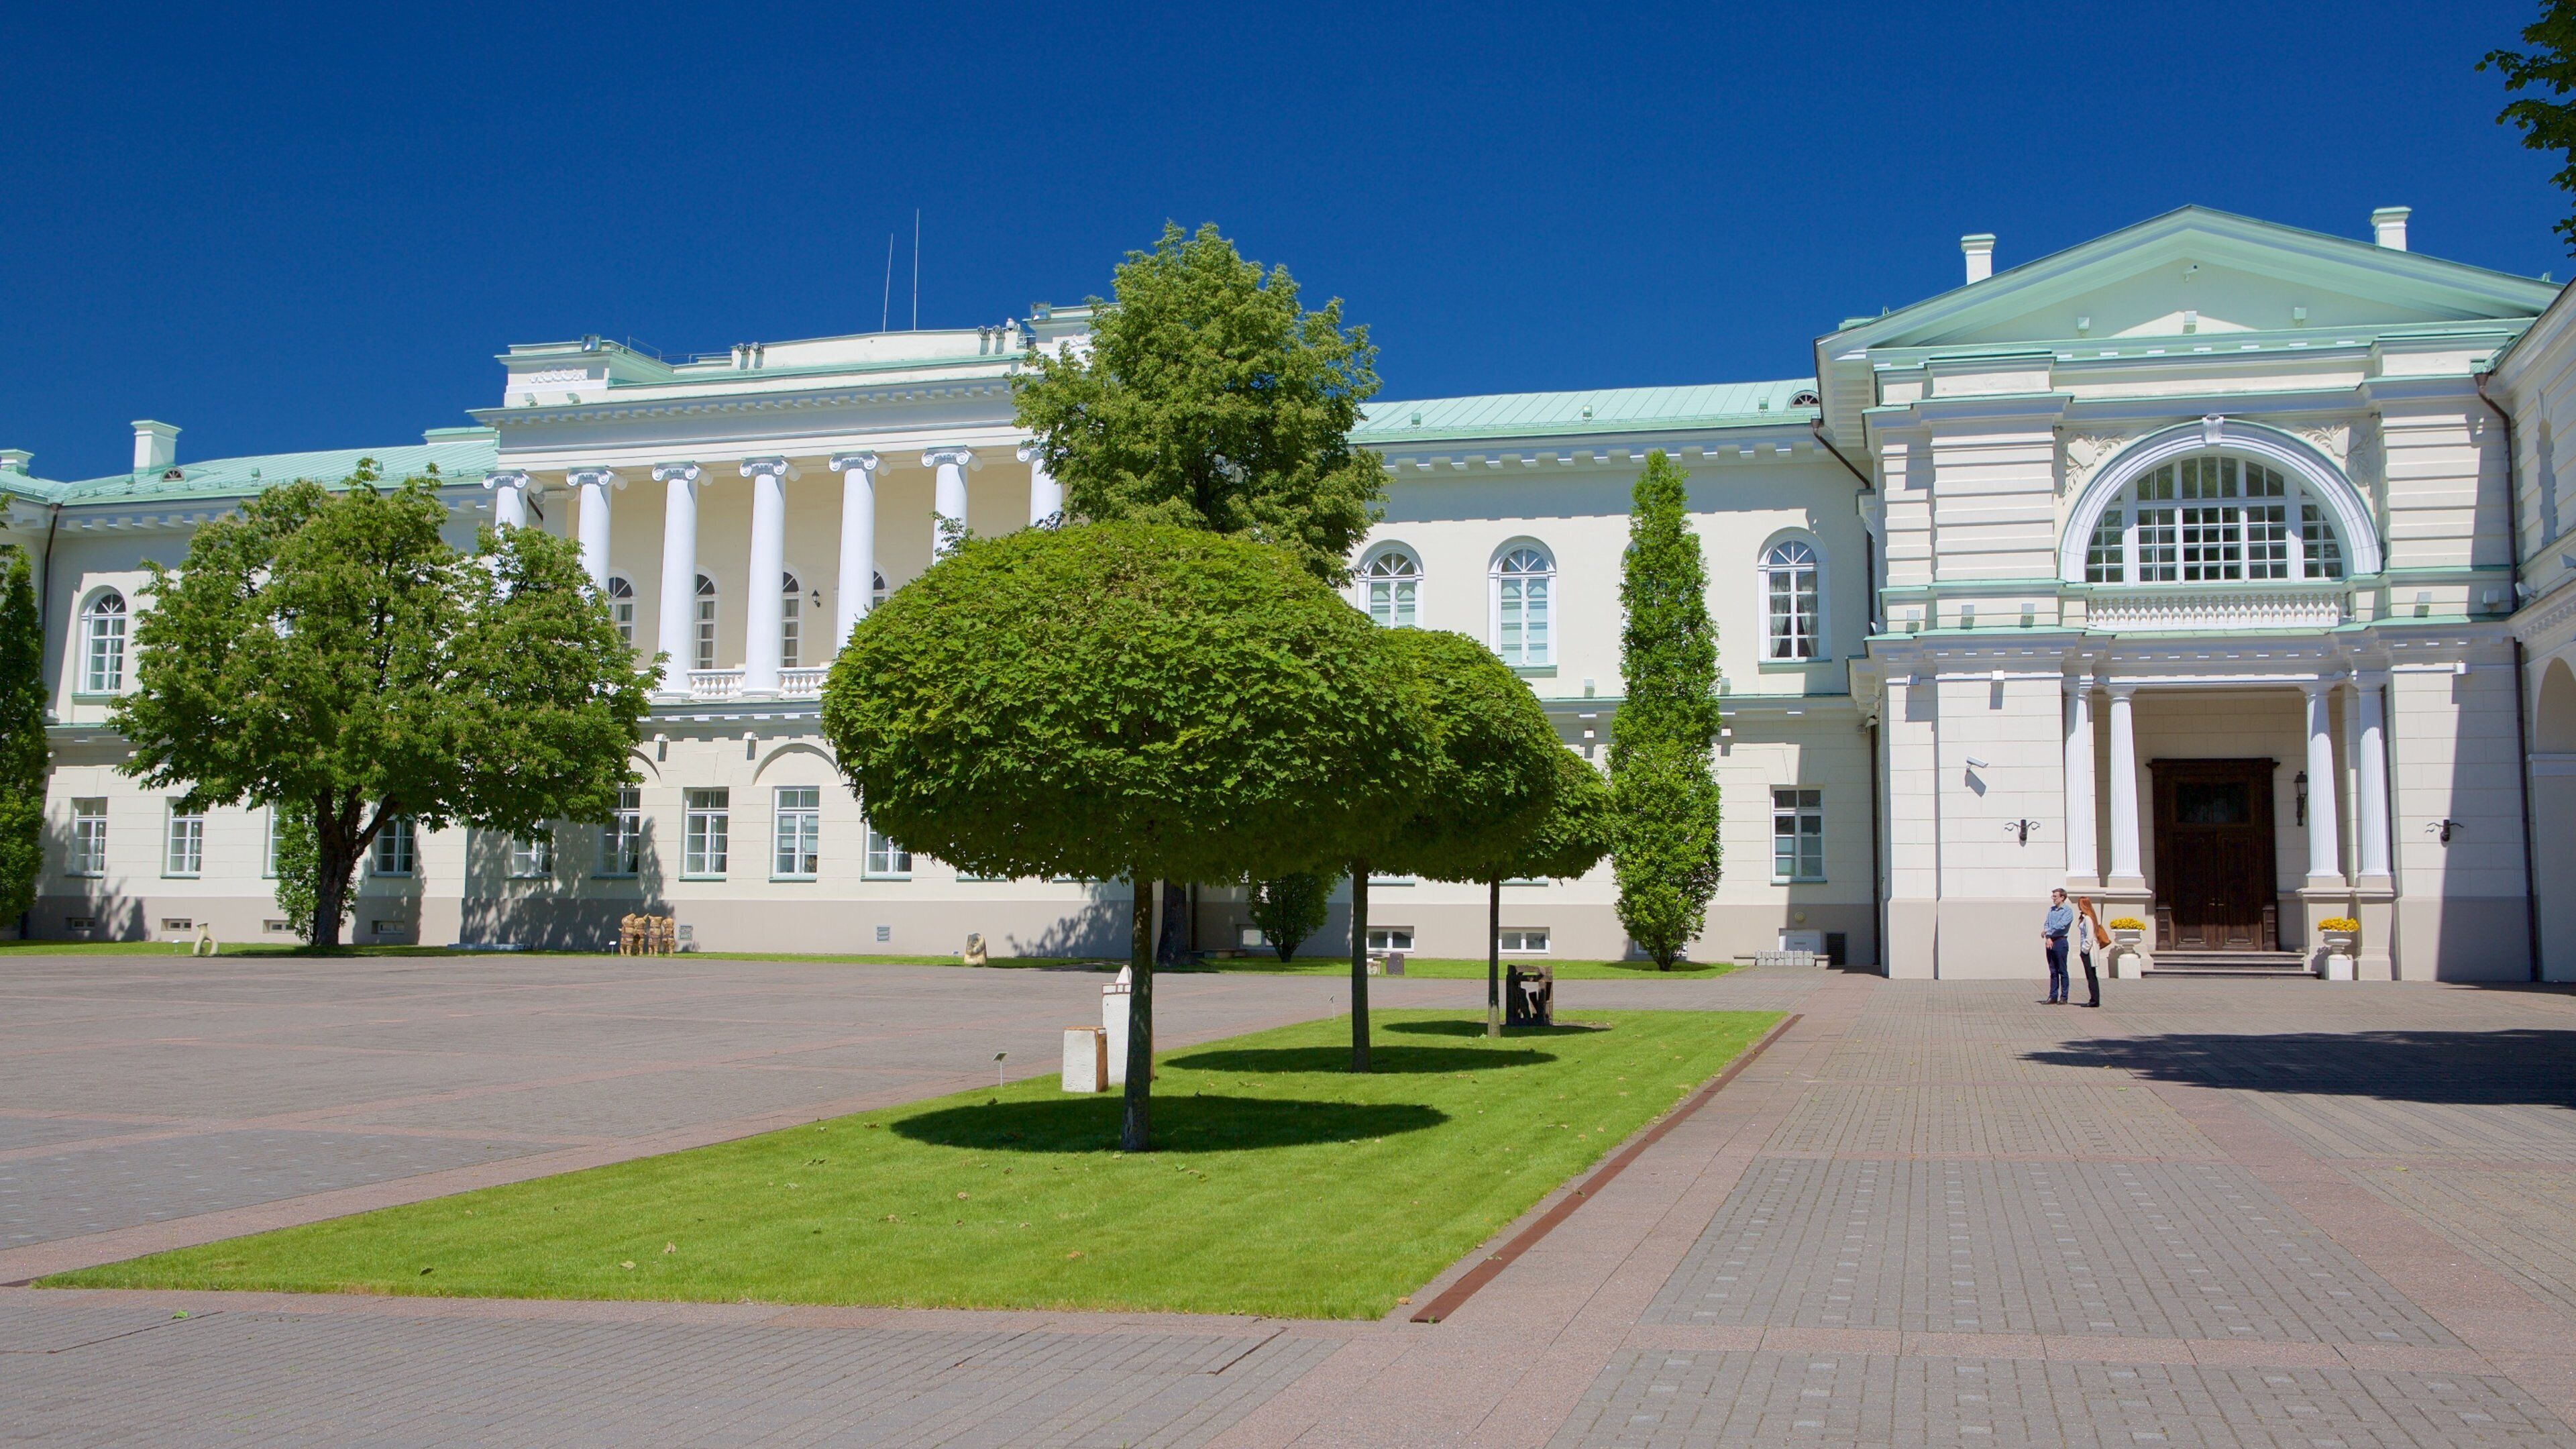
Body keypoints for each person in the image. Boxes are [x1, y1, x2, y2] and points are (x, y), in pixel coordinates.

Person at [2040, 888, 2074, 1004]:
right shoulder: (2051, 910)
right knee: (2053, 970)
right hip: (2050, 941)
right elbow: (2047, 923)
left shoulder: (2067, 911)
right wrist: (2048, 937)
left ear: (2062, 898)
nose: (2053, 898)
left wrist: (2047, 932)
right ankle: (2053, 995)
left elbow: (2062, 925)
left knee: (2062, 970)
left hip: (2060, 941)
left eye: (2055, 896)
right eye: (2053, 896)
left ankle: (2064, 997)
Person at [2074, 894, 2106, 1008]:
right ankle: (2093, 998)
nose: (2078, 906)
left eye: (2079, 904)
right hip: (2087, 949)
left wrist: (2084, 950)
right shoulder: (2087, 917)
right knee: (2091, 975)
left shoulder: (2088, 919)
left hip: (2088, 951)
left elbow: (2089, 937)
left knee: (2091, 975)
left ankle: (2094, 1000)